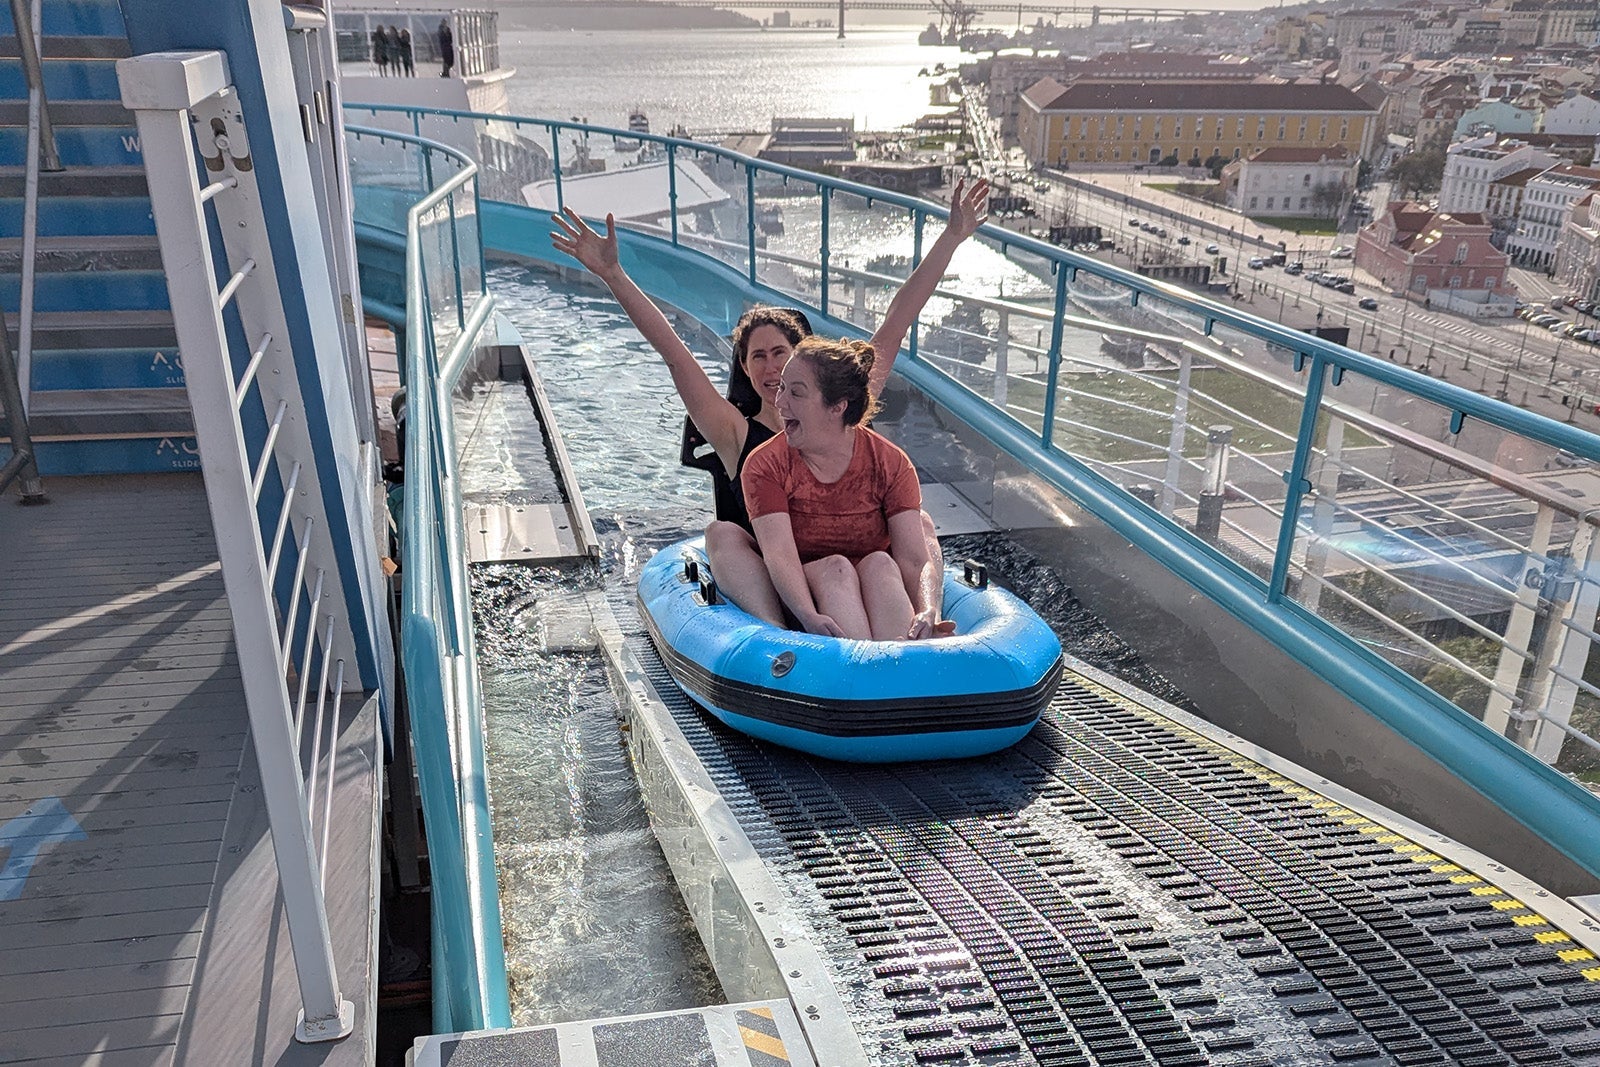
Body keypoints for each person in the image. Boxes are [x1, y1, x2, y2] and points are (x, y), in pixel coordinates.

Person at [550, 179, 989, 626]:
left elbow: (896, 323)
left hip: (855, 569)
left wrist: (951, 238)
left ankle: (920, 626)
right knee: (722, 534)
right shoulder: (736, 432)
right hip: (783, 578)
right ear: (744, 367)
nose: (770, 367)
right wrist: (614, 275)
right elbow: (675, 355)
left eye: (780, 353)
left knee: (919, 525)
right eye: (756, 357)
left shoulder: (841, 407)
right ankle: (773, 634)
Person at [741, 338, 940, 640]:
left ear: (837, 407)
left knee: (881, 564)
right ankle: (858, 659)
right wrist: (808, 616)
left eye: (796, 392)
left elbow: (914, 560)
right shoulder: (766, 465)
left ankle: (907, 652)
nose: (779, 402)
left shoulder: (890, 463)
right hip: (807, 587)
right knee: (837, 570)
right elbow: (780, 555)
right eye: (782, 388)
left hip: (874, 577)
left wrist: (927, 609)